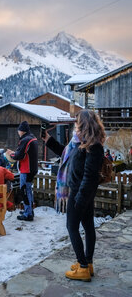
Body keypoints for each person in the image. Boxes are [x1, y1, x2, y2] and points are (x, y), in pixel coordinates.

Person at [43, 110, 105, 282]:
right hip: (81, 193)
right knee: (87, 226)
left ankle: (83, 266)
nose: (75, 127)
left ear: (84, 125)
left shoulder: (94, 147)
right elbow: (67, 155)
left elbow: (90, 176)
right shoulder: (80, 144)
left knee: (72, 228)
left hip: (80, 193)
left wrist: (80, 199)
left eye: (77, 124)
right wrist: (49, 141)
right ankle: (87, 263)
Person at [7, 121, 38, 221]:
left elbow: (19, 155)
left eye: (19, 130)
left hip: (26, 169)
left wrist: (11, 154)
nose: (18, 132)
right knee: (28, 190)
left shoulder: (25, 140)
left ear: (22, 131)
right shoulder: (32, 137)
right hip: (32, 168)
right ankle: (29, 210)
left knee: (25, 191)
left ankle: (28, 214)